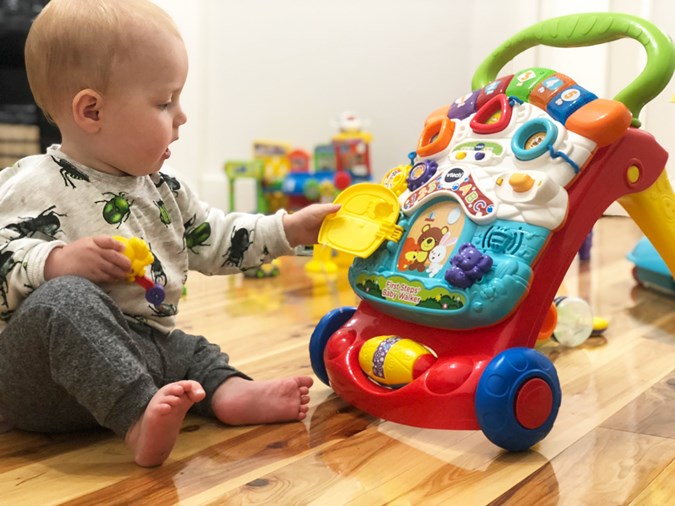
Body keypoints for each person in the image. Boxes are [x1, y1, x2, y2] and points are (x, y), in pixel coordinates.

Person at [0, 0, 340, 467]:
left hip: (139, 352)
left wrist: (286, 229)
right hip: (40, 382)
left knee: (186, 348)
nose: (181, 117)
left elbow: (215, 237)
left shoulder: (163, 188)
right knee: (66, 301)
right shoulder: (30, 184)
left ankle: (226, 393)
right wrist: (55, 262)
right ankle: (139, 417)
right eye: (164, 102)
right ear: (92, 110)